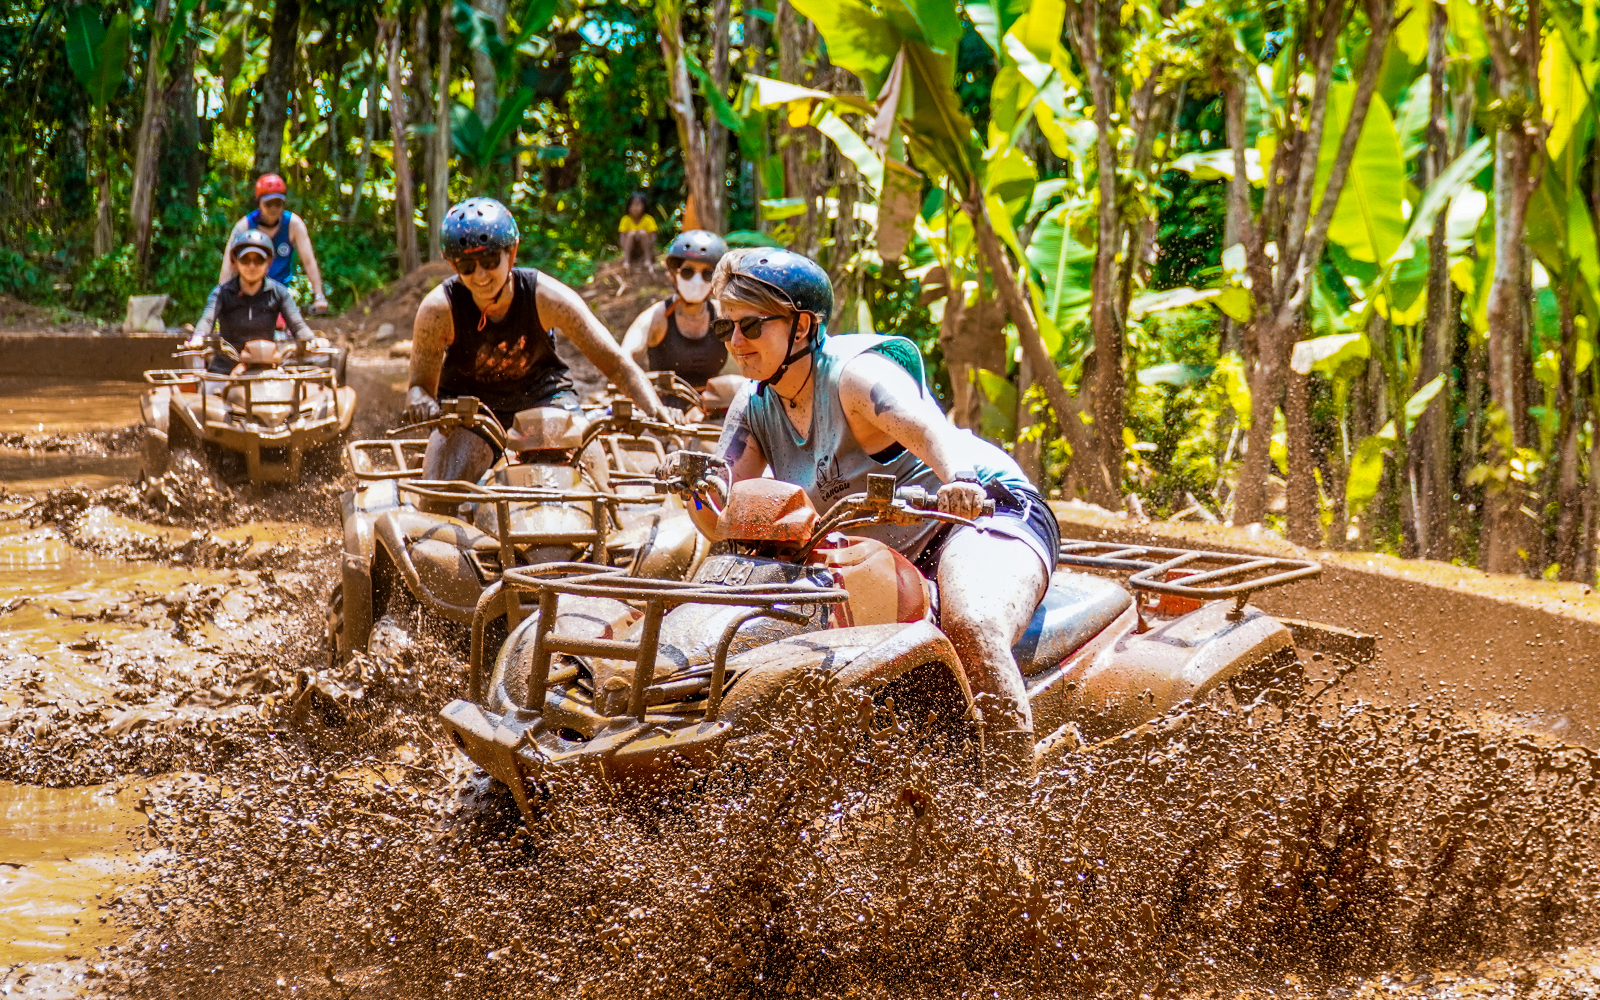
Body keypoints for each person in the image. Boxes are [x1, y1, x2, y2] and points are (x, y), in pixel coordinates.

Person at [665, 248, 1058, 774]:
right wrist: (693, 491)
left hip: (978, 516)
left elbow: (927, 426)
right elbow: (722, 519)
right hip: (878, 547)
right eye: (726, 329)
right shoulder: (753, 403)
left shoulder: (854, 374)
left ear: (802, 326)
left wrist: (959, 480)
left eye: (752, 327)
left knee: (973, 621)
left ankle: (1016, 794)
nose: (736, 343)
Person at [405, 197, 675, 484]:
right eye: (466, 266)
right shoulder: (438, 310)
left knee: (593, 476)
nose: (480, 275)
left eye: (489, 260)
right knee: (439, 492)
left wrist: (654, 409)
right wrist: (421, 401)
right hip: (468, 411)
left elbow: (616, 363)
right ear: (452, 265)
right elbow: (419, 387)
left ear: (512, 252)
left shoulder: (545, 296)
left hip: (545, 400)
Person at [620, 231, 734, 400]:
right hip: (665, 411)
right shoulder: (656, 317)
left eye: (707, 274)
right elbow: (623, 358)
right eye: (688, 272)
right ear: (674, 274)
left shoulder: (724, 316)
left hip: (712, 408)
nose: (697, 281)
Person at [188, 230, 321, 375]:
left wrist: (311, 340)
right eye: (245, 260)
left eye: (259, 260)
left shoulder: (279, 293)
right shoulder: (221, 293)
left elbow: (297, 325)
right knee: (207, 395)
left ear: (268, 263)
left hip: (266, 369)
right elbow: (207, 320)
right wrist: (198, 337)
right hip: (224, 370)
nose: (252, 266)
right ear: (234, 262)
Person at [219, 173, 329, 315]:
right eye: (268, 204)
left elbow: (308, 261)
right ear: (258, 202)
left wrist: (318, 296)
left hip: (279, 295)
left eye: (278, 203)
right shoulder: (244, 226)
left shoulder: (293, 225)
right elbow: (229, 264)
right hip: (247, 293)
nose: (273, 208)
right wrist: (221, 298)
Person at [617, 192, 658, 270]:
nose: (635, 208)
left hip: (644, 248)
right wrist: (624, 247)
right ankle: (626, 261)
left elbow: (653, 238)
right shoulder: (625, 219)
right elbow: (622, 238)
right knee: (631, 234)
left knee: (642, 233)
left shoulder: (649, 219)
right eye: (633, 205)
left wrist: (650, 247)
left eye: (638, 205)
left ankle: (647, 260)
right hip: (630, 249)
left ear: (644, 206)